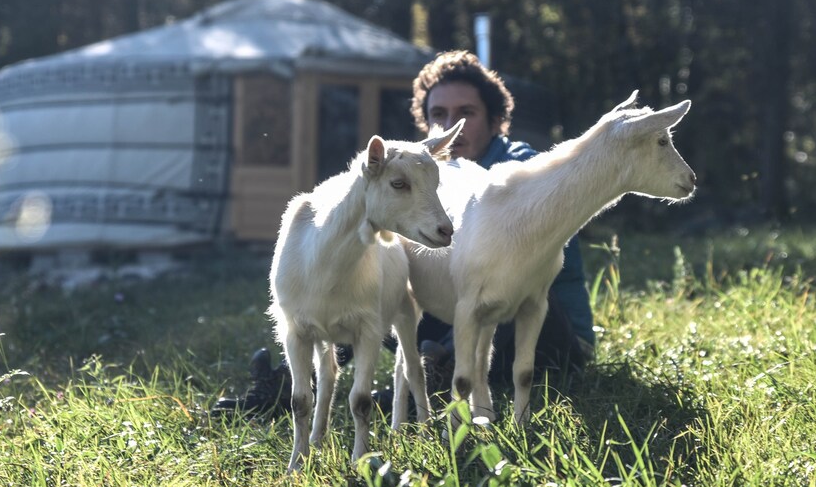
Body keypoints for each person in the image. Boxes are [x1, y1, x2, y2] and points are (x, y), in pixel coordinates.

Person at [212, 50, 594, 417]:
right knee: (363, 285)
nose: (450, 126)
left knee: (490, 305)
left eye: (466, 113)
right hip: (449, 305)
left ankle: (427, 380)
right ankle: (294, 383)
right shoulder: (425, 181)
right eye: (438, 114)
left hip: (546, 327)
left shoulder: (520, 169)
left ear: (496, 121)